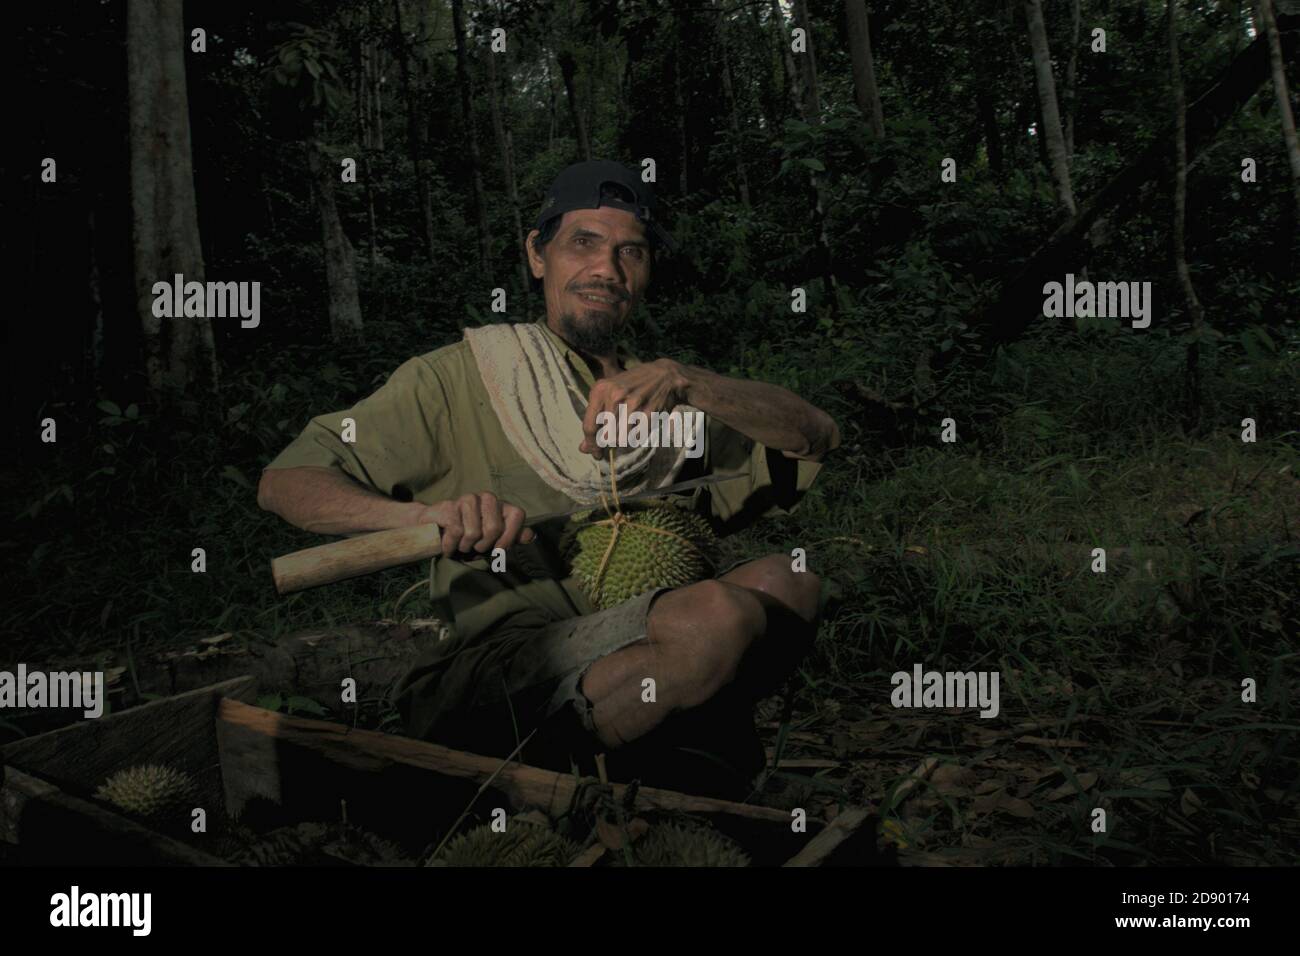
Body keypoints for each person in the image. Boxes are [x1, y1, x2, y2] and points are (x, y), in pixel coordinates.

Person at [258, 159, 840, 797]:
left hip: (658, 637)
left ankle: (683, 746)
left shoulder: (664, 400)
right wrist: (421, 518)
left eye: (630, 252)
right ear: (537, 256)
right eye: (582, 244)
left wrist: (687, 379)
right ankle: (538, 778)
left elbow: (813, 434)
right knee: (716, 618)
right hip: (510, 669)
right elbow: (288, 480)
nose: (606, 270)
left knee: (791, 583)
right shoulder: (459, 379)